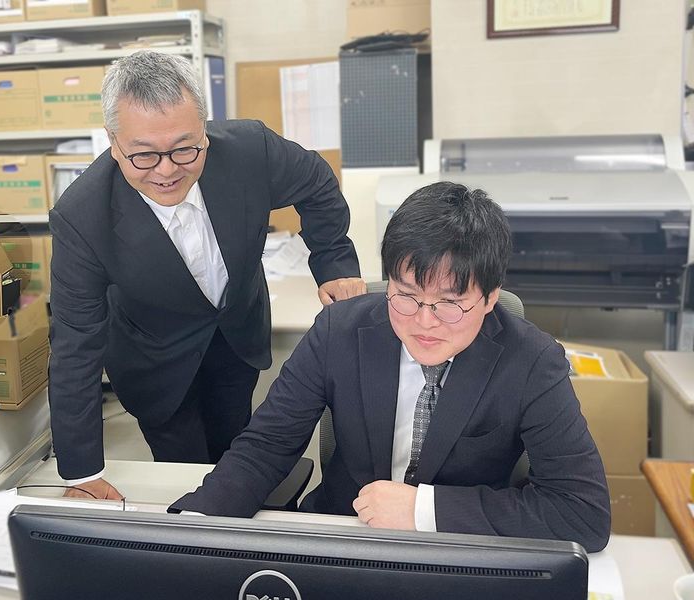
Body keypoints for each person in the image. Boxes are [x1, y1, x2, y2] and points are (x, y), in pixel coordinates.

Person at [170, 181, 611, 553]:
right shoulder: (338, 331)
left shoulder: (532, 361)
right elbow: (265, 447)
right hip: (343, 539)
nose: (424, 322)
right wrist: (188, 530)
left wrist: (423, 510)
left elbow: (583, 512)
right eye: (406, 296)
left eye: (450, 304)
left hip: (458, 548)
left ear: (490, 298)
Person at [49, 51, 365, 500]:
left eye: (185, 149)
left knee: (238, 450)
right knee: (184, 472)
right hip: (153, 359)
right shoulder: (82, 217)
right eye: (143, 155)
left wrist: (334, 263)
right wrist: (81, 474)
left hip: (235, 333)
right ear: (113, 142)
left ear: (203, 127)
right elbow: (74, 344)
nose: (166, 170)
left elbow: (316, 182)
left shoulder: (249, 150)